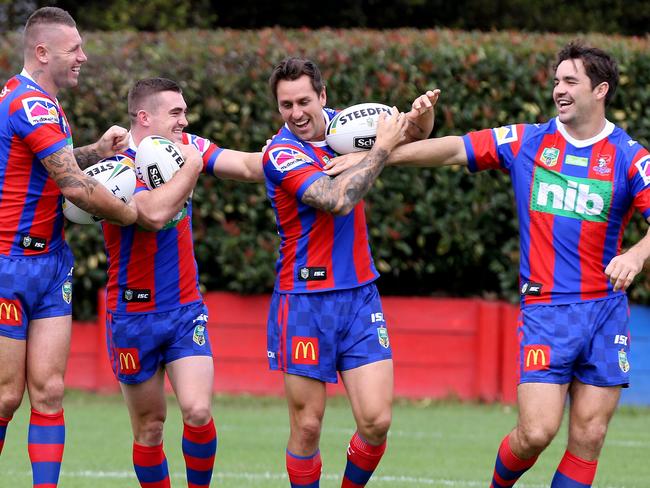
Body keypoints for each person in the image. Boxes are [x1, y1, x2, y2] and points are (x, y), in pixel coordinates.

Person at [333, 41, 650, 487]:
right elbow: (450, 150)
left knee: (589, 435)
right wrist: (376, 157)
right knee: (536, 433)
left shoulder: (629, 156)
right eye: (556, 80)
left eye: (570, 81)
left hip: (605, 311)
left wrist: (636, 253)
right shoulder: (527, 141)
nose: (558, 89)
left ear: (600, 90)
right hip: (547, 310)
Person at [263, 57, 436, 487]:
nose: (297, 113)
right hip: (303, 301)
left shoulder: (347, 124)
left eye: (304, 100)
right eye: (286, 105)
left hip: (359, 294)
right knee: (307, 426)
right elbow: (336, 199)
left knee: (376, 422)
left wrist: (421, 116)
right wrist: (376, 152)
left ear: (323, 96)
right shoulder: (280, 153)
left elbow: (409, 136)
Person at [101, 77, 263, 488]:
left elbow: (247, 165)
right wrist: (193, 164)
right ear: (144, 116)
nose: (184, 121)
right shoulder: (115, 167)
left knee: (198, 411)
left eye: (184, 112)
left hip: (184, 310)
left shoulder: (186, 148)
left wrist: (302, 149)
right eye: (175, 113)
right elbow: (151, 214)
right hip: (132, 315)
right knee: (150, 429)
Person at [0, 7, 138, 487]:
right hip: (8, 264)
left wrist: (98, 152)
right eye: (73, 48)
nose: (83, 56)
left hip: (51, 263)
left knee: (51, 391)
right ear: (42, 52)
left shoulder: (44, 103)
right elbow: (74, 188)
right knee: (5, 397)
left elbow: (54, 165)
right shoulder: (29, 102)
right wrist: (133, 213)